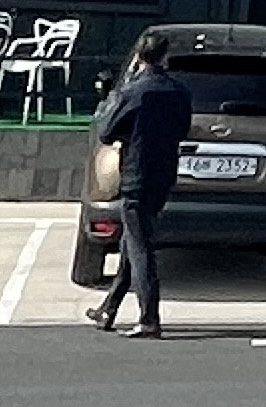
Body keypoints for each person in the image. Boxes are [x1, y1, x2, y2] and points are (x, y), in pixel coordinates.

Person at [86, 32, 193, 339]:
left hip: (136, 174)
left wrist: (115, 104)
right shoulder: (178, 91)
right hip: (164, 173)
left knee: (140, 246)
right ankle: (109, 307)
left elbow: (106, 131)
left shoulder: (133, 91)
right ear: (165, 56)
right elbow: (182, 129)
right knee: (132, 240)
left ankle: (149, 318)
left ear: (139, 56)